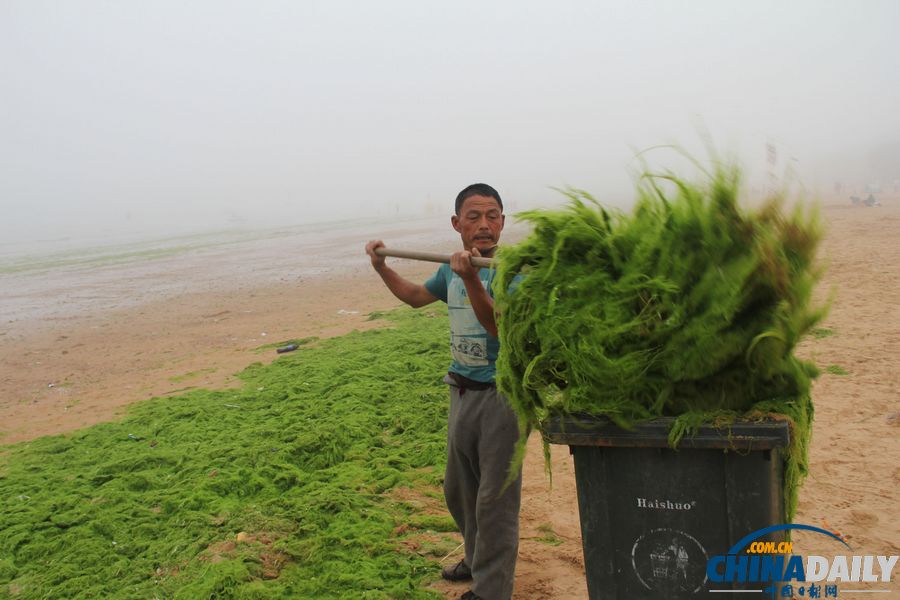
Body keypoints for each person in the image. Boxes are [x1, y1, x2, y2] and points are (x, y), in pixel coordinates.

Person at [365, 183, 522, 600]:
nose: (484, 225)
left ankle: (491, 591)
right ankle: (475, 558)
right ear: (457, 223)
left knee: (495, 502)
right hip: (461, 391)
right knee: (460, 492)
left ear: (503, 222)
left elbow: (498, 327)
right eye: (474, 216)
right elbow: (416, 297)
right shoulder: (450, 269)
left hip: (501, 397)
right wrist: (382, 268)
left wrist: (472, 279)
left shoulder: (512, 270)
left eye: (492, 216)